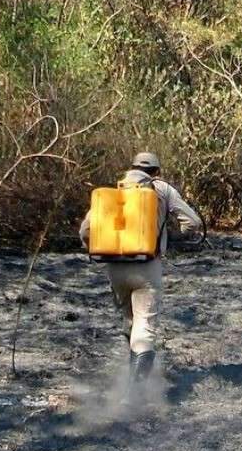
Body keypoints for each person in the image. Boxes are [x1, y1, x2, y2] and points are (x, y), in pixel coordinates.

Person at [79, 152, 203, 402]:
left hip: (114, 268)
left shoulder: (115, 191)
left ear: (132, 167)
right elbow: (193, 222)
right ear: (156, 171)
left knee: (130, 322)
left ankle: (131, 378)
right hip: (147, 265)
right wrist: (170, 238)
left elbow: (85, 231)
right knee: (145, 326)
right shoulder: (162, 189)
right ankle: (133, 394)